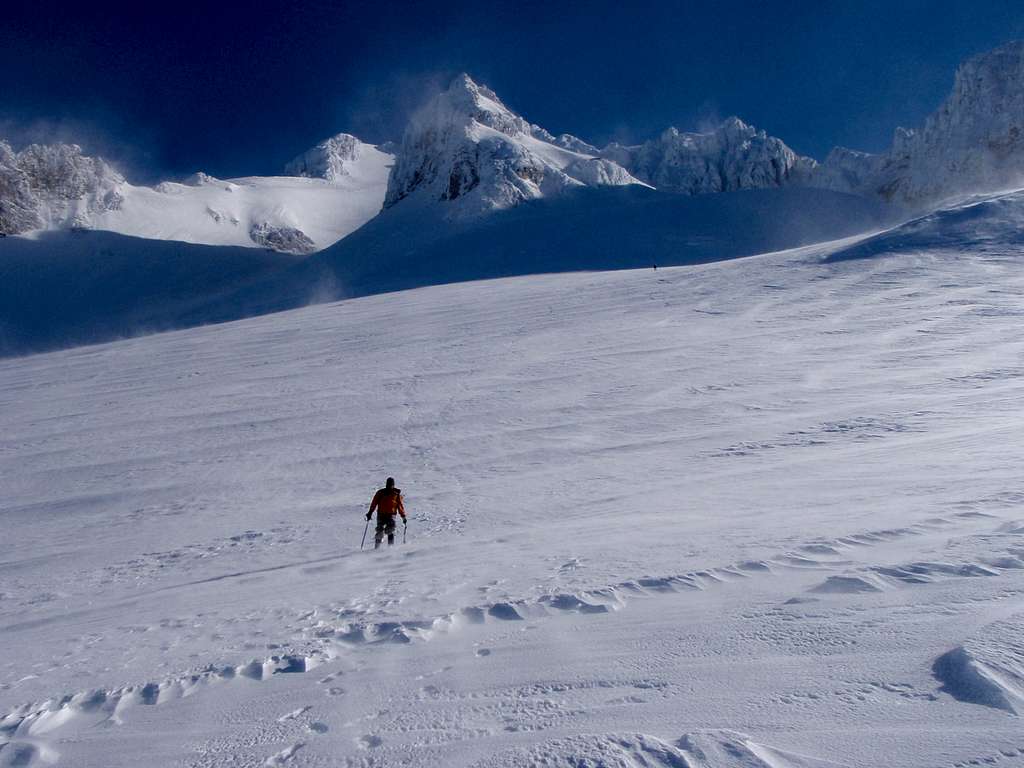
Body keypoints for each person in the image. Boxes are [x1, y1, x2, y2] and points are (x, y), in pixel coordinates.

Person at [366, 477, 406, 548]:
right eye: (388, 484)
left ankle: (390, 548)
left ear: (393, 485)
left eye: (391, 485)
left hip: (391, 515)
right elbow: (374, 503)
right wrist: (370, 512)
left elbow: (400, 506)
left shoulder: (396, 494)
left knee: (390, 530)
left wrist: (403, 516)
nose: (390, 486)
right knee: (380, 531)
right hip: (381, 514)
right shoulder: (380, 493)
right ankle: (377, 548)